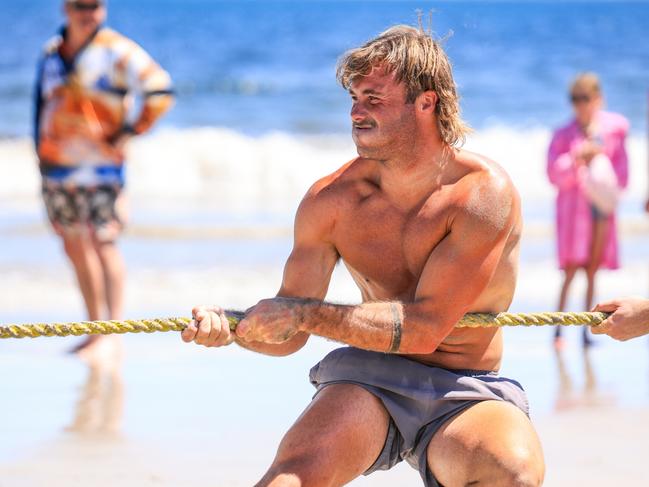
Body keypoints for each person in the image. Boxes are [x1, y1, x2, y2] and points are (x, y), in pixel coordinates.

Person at [182, 25, 544, 487]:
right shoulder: (330, 202)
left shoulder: (480, 195)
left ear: (426, 103)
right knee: (288, 480)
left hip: (465, 385)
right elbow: (289, 333)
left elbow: (425, 329)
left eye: (374, 98)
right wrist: (235, 327)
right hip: (369, 376)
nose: (356, 112)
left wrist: (303, 315)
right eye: (354, 98)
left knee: (513, 474)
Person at [33, 0, 174, 355]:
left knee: (103, 241)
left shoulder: (118, 51)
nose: (88, 13)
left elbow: (160, 90)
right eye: (81, 6)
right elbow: (40, 105)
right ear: (66, 8)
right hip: (57, 169)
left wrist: (127, 132)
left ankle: (113, 330)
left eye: (95, 6)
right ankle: (94, 327)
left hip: (101, 170)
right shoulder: (52, 52)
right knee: (74, 245)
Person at [547, 73, 629, 348]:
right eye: (575, 99)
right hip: (573, 213)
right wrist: (577, 158)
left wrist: (601, 164)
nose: (580, 105)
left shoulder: (614, 129)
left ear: (597, 99)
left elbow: (622, 173)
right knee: (570, 270)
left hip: (600, 208)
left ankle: (586, 331)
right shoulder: (563, 135)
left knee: (593, 271)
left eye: (585, 98)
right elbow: (552, 174)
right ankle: (558, 331)